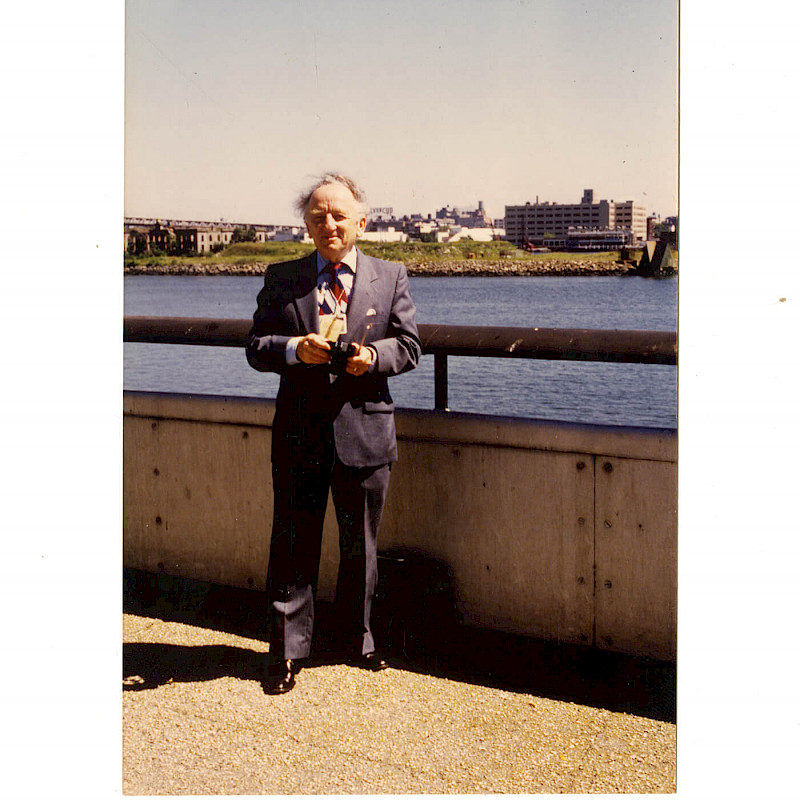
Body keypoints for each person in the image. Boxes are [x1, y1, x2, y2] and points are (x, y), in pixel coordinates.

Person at [246, 173, 421, 694]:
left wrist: (371, 357)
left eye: (339, 215)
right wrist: (291, 349)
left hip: (364, 432)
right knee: (293, 543)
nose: (330, 224)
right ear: (306, 224)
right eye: (319, 215)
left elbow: (410, 346)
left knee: (361, 547)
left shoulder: (390, 275)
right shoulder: (282, 276)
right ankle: (286, 653)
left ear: (362, 222)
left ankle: (358, 641)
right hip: (299, 434)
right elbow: (255, 346)